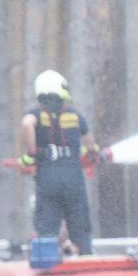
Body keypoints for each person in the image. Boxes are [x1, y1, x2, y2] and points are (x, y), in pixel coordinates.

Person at [20, 69, 99, 254]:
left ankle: (47, 263)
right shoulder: (76, 117)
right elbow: (91, 146)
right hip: (73, 181)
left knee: (47, 229)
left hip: (48, 181)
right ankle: (85, 259)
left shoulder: (36, 115)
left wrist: (31, 154)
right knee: (80, 228)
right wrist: (92, 153)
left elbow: (26, 124)